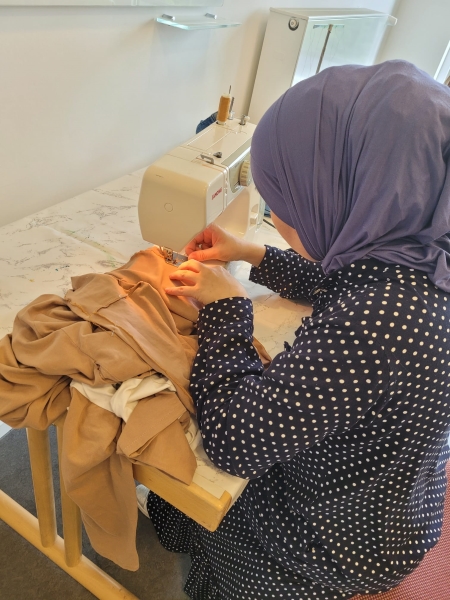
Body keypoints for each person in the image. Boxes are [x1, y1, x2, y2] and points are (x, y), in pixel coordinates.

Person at [138, 60, 450, 600]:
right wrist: (252, 253)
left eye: (284, 202)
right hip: (400, 507)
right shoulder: (417, 250)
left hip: (334, 544)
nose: (279, 218)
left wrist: (226, 306)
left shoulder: (378, 321)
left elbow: (236, 440)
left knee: (187, 503)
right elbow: (337, 279)